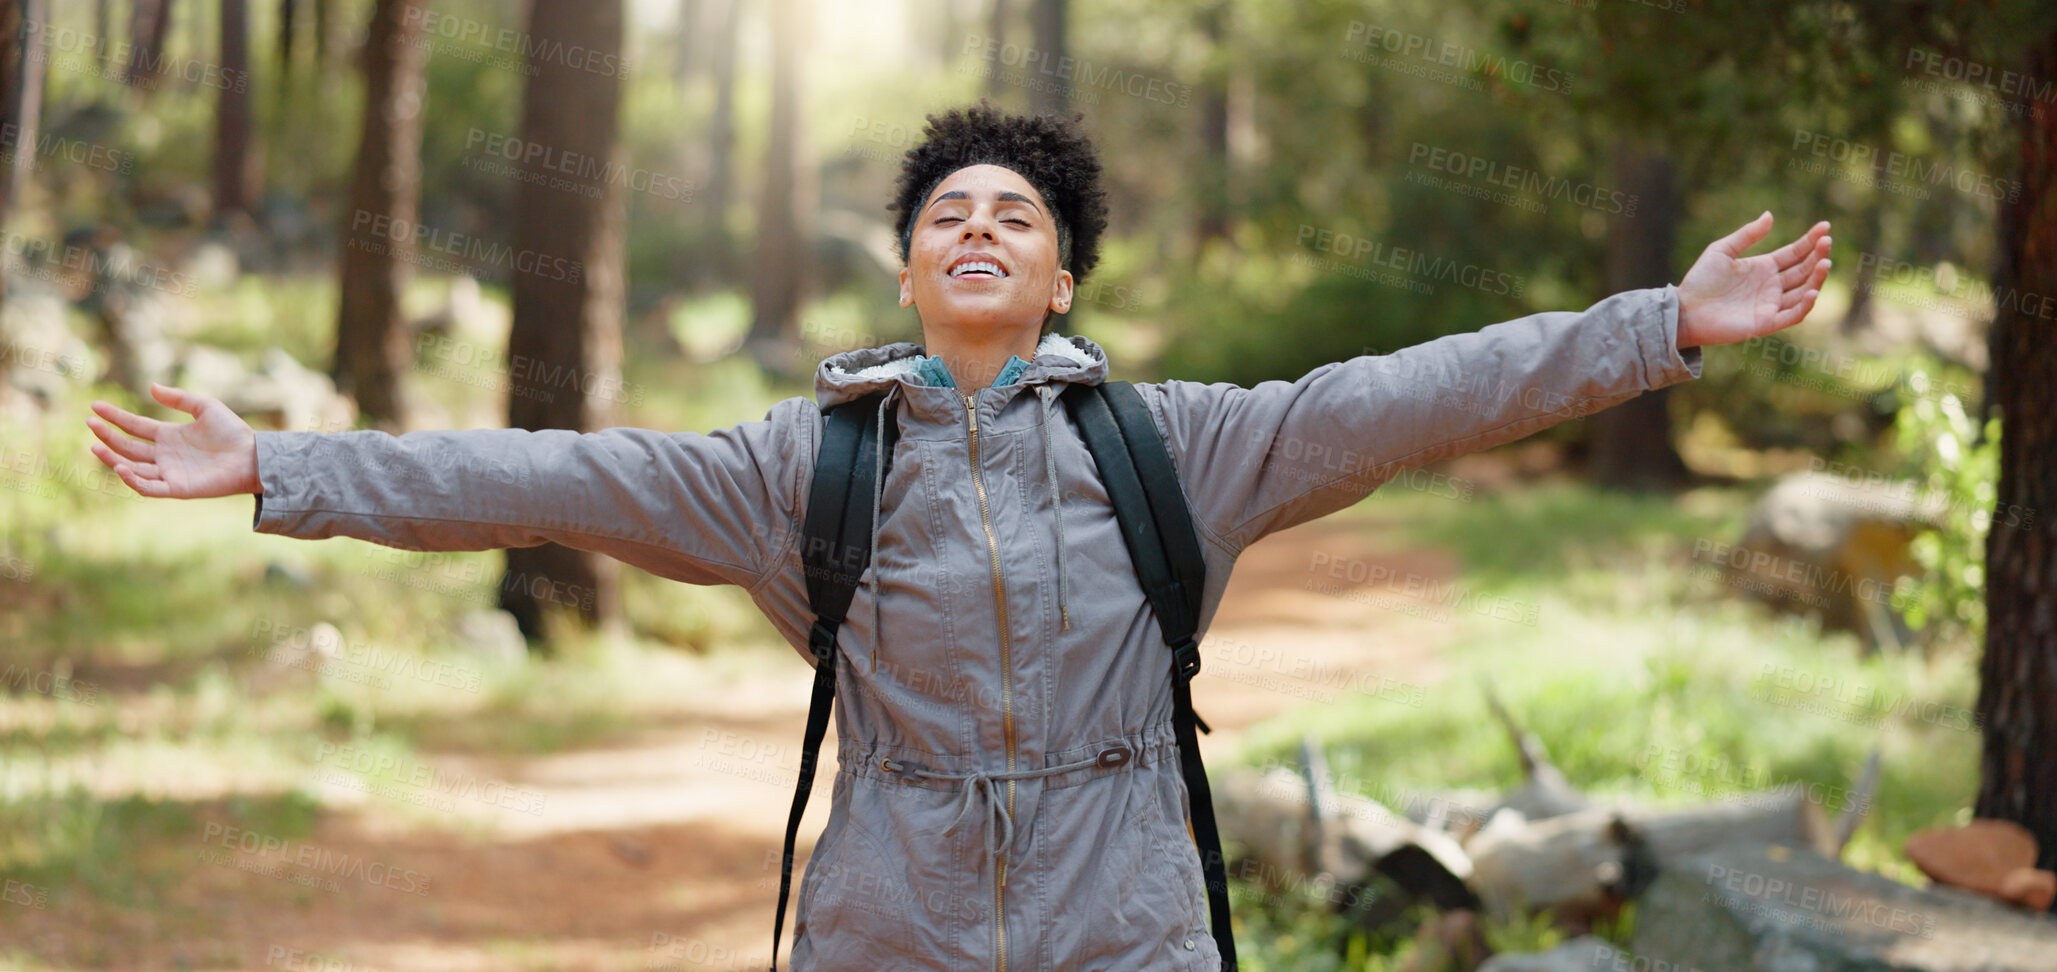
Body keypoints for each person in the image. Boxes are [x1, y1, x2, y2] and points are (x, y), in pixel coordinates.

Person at [87, 105, 1830, 970]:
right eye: (948, 215)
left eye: (1017, 216)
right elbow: (551, 477)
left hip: (1128, 899)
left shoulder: (1179, 446)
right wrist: (280, 469)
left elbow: (1413, 391)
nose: (980, 229)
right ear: (909, 275)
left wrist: (1655, 328)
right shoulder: (804, 469)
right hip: (888, 911)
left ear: (1060, 275)